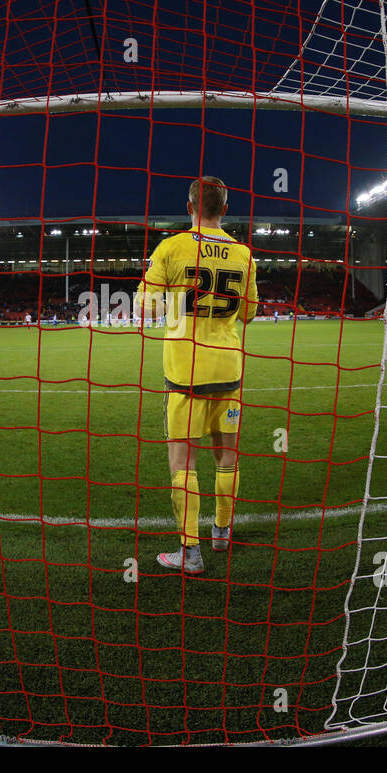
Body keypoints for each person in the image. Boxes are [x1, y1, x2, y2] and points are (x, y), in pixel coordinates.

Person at [136, 175, 258, 574]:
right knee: (227, 458)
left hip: (186, 375)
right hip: (229, 370)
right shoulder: (243, 253)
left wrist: (179, 299)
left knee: (183, 463)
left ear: (189, 207)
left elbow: (145, 310)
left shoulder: (171, 247)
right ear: (225, 209)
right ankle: (222, 532)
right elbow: (250, 313)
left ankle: (190, 553)